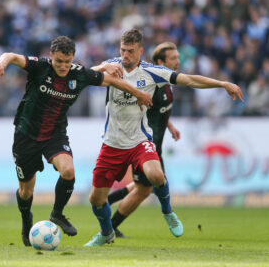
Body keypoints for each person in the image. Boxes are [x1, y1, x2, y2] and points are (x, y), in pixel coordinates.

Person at [84, 29, 243, 247]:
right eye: (123, 50)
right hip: (112, 143)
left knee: (156, 175)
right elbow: (84, 75)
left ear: (140, 51)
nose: (125, 55)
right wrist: (102, 67)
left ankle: (168, 212)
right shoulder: (112, 66)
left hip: (140, 140)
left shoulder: (153, 72)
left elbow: (189, 80)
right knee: (96, 200)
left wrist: (222, 83)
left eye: (130, 51)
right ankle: (106, 233)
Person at [0, 36, 152, 246]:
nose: (63, 66)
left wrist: (138, 93)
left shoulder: (79, 74)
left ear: (73, 58)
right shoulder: (41, 67)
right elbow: (11, 56)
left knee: (68, 171)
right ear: (52, 56)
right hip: (26, 135)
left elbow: (111, 81)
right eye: (59, 61)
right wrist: (2, 64)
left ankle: (57, 214)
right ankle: (26, 221)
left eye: (67, 62)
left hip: (55, 135)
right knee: (26, 190)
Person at [107, 42, 181, 239]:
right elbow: (137, 107)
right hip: (145, 146)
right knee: (145, 190)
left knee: (145, 187)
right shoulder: (153, 83)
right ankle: (110, 226)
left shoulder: (166, 84)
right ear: (160, 62)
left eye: (177, 57)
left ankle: (109, 202)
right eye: (173, 59)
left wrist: (170, 125)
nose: (178, 62)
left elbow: (158, 109)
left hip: (157, 146)